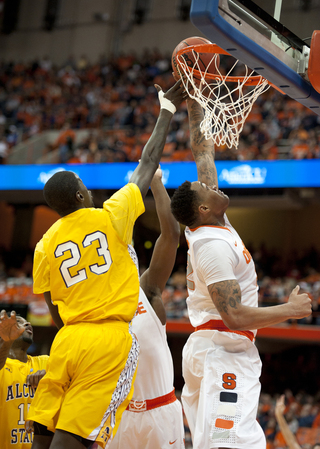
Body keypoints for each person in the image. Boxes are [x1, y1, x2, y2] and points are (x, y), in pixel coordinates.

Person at [26, 80, 187, 449]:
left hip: (67, 340)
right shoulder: (110, 215)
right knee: (77, 440)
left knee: (43, 434)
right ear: (82, 194)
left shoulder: (43, 245)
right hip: (107, 340)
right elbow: (148, 162)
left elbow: (53, 312)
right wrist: (167, 109)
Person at [170, 98, 312, 449]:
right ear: (203, 208)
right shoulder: (212, 247)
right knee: (229, 445)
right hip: (222, 347)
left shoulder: (215, 225)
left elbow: (203, 155)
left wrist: (193, 100)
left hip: (222, 350)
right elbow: (233, 316)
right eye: (208, 189)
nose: (214, 185)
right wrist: (289, 311)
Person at [109, 166, 185, 449]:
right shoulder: (98, 306)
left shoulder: (147, 289)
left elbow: (171, 235)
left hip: (160, 411)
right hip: (121, 416)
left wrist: (155, 183)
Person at [0, 310, 49, 449]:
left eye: (27, 322)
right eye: (18, 322)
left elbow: (74, 376)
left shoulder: (45, 362)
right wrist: (6, 342)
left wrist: (51, 376)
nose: (27, 324)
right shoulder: (2, 366)